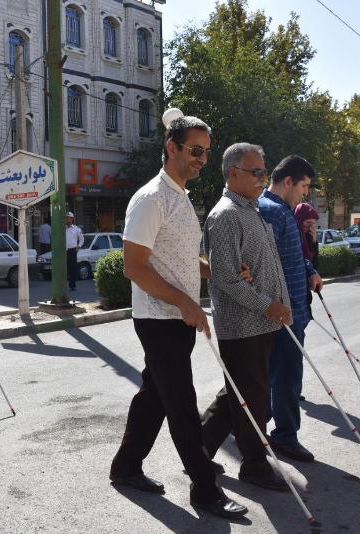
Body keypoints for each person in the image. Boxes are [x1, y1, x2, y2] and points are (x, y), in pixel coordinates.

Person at [109, 115, 247, 520]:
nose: (202, 159)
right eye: (195, 150)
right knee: (182, 404)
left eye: (206, 151)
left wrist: (219, 272)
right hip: (158, 318)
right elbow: (134, 267)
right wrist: (186, 303)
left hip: (176, 318)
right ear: (172, 148)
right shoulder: (152, 198)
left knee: (153, 396)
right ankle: (205, 489)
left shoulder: (180, 196)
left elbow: (181, 261)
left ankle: (126, 466)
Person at [200, 142, 292, 492]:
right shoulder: (224, 215)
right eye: (256, 172)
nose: (262, 178)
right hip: (242, 326)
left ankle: (198, 449)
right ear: (233, 173)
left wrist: (280, 302)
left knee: (236, 393)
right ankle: (253, 465)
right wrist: (268, 305)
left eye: (263, 171)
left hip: (262, 322)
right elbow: (225, 278)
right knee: (252, 399)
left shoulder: (251, 210)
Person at [258, 156, 323, 462]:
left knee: (276, 374)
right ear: (288, 182)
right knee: (285, 376)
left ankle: (257, 429)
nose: (305, 193)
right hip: (283, 312)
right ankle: (283, 436)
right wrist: (282, 307)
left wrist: (309, 268)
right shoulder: (272, 212)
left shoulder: (283, 211)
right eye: (304, 186)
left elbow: (291, 255)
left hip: (291, 307)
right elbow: (269, 267)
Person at [294, 202, 319, 269]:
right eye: (308, 222)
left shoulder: (309, 235)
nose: (310, 226)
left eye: (313, 223)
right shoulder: (293, 235)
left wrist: (314, 242)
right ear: (299, 219)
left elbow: (315, 264)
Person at [65, 212, 83, 290]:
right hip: (63, 251)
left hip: (72, 250)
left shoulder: (76, 229)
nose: (66, 219)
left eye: (68, 217)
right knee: (64, 268)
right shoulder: (62, 228)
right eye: (65, 217)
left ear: (72, 219)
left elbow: (82, 239)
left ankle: (72, 285)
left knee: (72, 268)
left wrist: (78, 246)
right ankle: (63, 285)